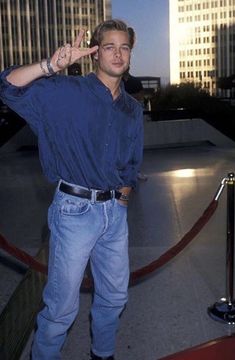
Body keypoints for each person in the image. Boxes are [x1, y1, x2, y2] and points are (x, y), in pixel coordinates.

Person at [0, 19, 143, 360]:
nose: (118, 53)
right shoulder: (65, 92)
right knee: (61, 310)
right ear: (96, 53)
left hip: (114, 215)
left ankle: (102, 355)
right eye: (109, 46)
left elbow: (131, 162)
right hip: (75, 212)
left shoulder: (131, 108)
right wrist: (51, 66)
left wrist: (121, 200)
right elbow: (7, 86)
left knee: (114, 298)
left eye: (124, 47)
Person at [123, 72, 148, 181]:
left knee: (135, 145)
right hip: (121, 118)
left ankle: (136, 172)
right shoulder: (116, 81)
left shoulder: (135, 81)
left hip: (133, 118)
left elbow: (141, 96)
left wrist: (126, 96)